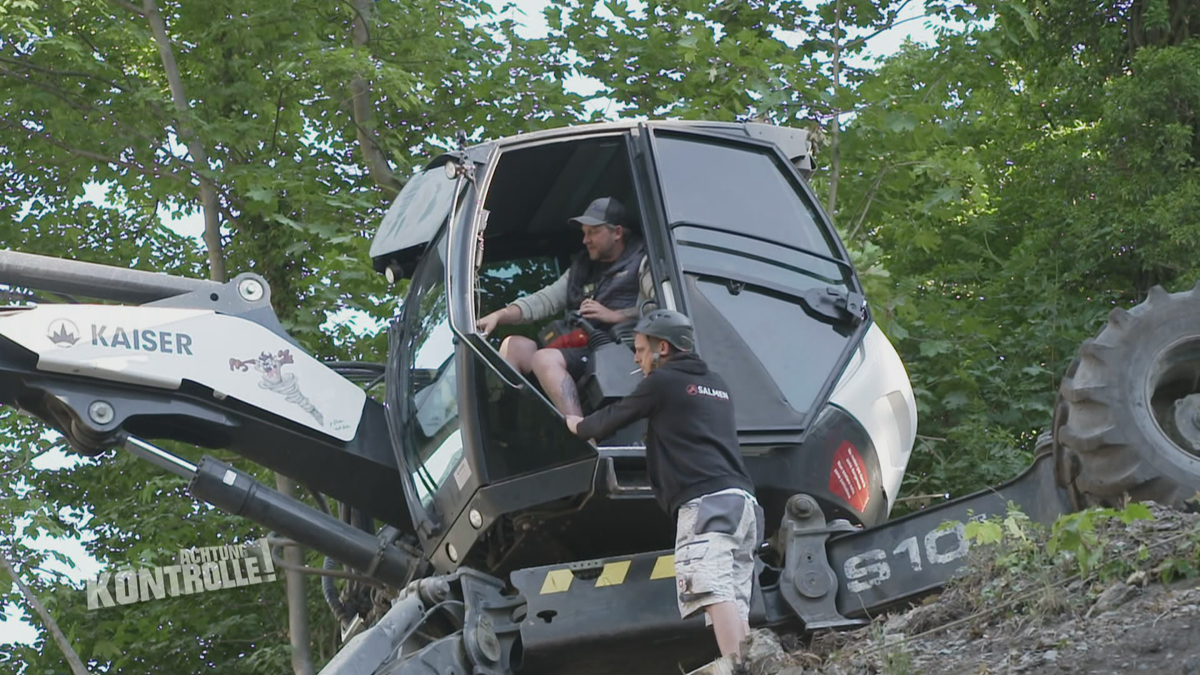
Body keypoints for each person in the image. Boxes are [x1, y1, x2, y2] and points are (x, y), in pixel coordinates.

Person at [564, 309, 762, 662]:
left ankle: (738, 669)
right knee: (732, 599)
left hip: (706, 503)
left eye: (640, 350)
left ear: (664, 348)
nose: (636, 359)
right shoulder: (717, 384)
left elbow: (614, 417)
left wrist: (577, 424)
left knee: (710, 589)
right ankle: (753, 664)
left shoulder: (663, 381)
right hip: (742, 504)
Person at [476, 196, 653, 416]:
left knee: (543, 358)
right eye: (584, 232)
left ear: (617, 233)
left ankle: (582, 435)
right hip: (576, 349)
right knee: (514, 346)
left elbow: (658, 308)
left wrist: (615, 316)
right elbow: (544, 300)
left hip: (617, 353)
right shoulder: (582, 268)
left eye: (593, 232)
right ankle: (526, 424)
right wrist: (499, 316)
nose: (585, 240)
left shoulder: (643, 262)